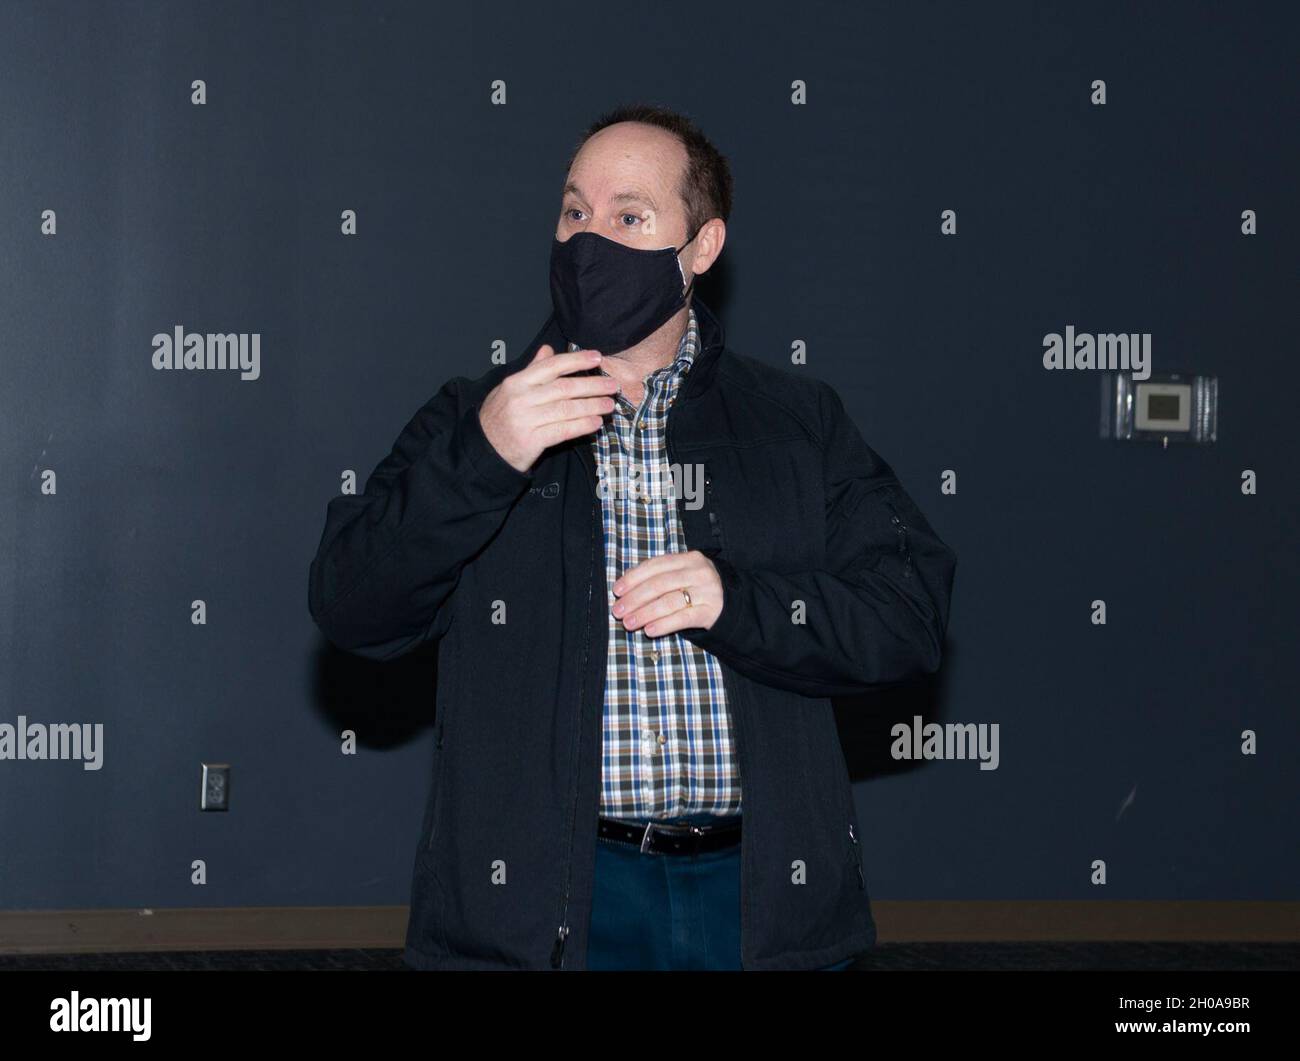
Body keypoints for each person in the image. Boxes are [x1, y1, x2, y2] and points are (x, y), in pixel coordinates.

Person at [307, 103, 957, 971]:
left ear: (700, 250)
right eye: (575, 212)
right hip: (553, 906)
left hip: (757, 901)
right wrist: (485, 459)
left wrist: (740, 601)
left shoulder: (796, 423)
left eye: (628, 217)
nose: (588, 240)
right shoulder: (476, 416)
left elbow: (909, 612)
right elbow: (352, 604)